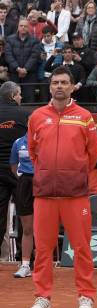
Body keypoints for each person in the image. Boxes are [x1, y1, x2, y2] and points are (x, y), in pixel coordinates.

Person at [27, 66, 97, 308]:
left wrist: (75, 174)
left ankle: (86, 297)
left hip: (75, 194)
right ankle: (42, 297)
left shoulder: (84, 116)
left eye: (64, 83)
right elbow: (33, 151)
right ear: (50, 86)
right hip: (45, 193)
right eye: (55, 82)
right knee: (44, 248)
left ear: (72, 87)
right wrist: (48, 173)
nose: (59, 86)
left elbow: (94, 154)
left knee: (82, 248)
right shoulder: (36, 116)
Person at [0, 81, 28, 260]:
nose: (21, 97)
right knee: (25, 214)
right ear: (12, 96)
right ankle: (22, 256)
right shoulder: (25, 114)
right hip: (19, 171)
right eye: (19, 94)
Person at [10, 138, 33, 278]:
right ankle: (25, 265)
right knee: (27, 228)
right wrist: (23, 180)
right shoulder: (18, 142)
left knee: (45, 228)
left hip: (44, 182)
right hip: (25, 184)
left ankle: (44, 264)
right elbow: (13, 165)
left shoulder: (47, 139)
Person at [5, 19, 40, 104]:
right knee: (13, 99)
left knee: (29, 99)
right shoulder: (10, 39)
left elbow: (34, 56)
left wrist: (25, 69)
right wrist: (18, 68)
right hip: (14, 74)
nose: (23, 28)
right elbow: (8, 55)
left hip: (30, 74)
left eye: (25, 26)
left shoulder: (35, 40)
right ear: (18, 27)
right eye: (21, 26)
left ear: (28, 28)